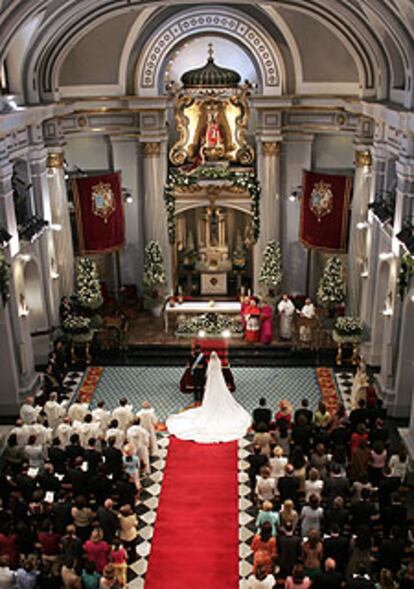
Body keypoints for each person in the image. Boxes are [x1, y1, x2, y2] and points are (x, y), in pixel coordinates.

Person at [166, 351, 251, 443]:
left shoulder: (209, 363)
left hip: (211, 382)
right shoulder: (217, 363)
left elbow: (208, 373)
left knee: (210, 395)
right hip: (218, 381)